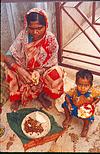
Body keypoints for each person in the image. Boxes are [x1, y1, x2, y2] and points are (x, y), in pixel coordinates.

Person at [1, 8, 64, 111]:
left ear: (46, 25)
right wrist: (19, 69)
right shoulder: (23, 36)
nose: (35, 32)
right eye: (31, 28)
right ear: (27, 26)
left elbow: (50, 65)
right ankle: (17, 97)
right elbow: (7, 56)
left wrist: (38, 72)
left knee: (56, 73)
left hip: (41, 71)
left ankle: (41, 95)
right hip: (23, 68)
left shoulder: (50, 40)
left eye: (39, 28)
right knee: (9, 71)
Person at [62, 69, 100, 137]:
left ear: (90, 85)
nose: (82, 88)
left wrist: (94, 103)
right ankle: (68, 117)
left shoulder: (93, 91)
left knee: (87, 118)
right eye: (80, 85)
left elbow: (98, 97)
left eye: (86, 86)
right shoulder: (74, 90)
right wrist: (69, 103)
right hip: (75, 106)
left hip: (86, 109)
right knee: (64, 104)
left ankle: (85, 127)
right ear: (76, 83)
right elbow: (67, 96)